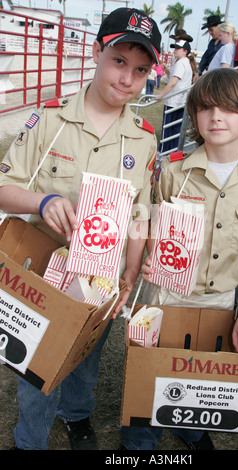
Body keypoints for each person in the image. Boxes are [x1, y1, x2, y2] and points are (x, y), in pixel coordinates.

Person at [0, 7, 161, 450]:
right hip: (41, 272)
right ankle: (29, 439)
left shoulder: (143, 138)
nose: (128, 78)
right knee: (36, 366)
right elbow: (3, 186)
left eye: (141, 69)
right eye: (119, 61)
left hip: (101, 278)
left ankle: (77, 416)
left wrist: (130, 272)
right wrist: (44, 201)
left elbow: (140, 214)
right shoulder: (49, 120)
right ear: (96, 52)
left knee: (85, 358)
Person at [121, 68, 238, 451]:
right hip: (165, 296)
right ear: (193, 115)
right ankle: (140, 440)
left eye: (228, 108)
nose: (216, 117)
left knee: (201, 374)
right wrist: (147, 253)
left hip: (219, 300)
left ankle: (190, 428)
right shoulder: (173, 169)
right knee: (152, 372)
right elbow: (145, 220)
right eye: (206, 108)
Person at [156, 40, 192, 155]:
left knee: (168, 131)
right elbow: (173, 79)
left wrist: (161, 96)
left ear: (185, 51)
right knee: (175, 131)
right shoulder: (184, 63)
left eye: (178, 48)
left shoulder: (181, 63)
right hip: (180, 102)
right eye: (174, 48)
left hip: (174, 102)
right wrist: (167, 71)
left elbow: (173, 82)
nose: (175, 50)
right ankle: (172, 155)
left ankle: (162, 155)